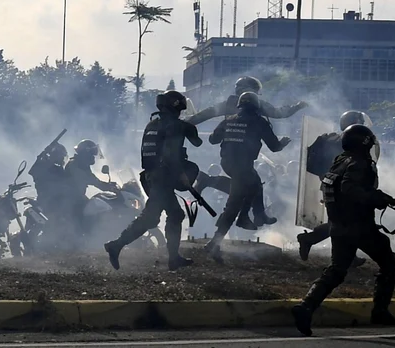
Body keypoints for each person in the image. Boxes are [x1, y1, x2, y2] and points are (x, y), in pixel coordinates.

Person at [292, 124, 395, 337]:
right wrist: (374, 198)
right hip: (359, 226)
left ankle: (306, 307)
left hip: (339, 227)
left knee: (336, 271)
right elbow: (350, 189)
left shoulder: (339, 161)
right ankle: (379, 311)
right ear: (365, 143)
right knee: (389, 262)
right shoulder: (361, 164)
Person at [105, 90, 202, 271]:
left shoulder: (152, 125)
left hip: (150, 177)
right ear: (176, 107)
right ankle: (116, 245)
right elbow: (179, 150)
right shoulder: (176, 126)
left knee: (171, 215)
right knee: (153, 218)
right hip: (163, 178)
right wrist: (182, 174)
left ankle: (173, 258)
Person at [190, 76, 307, 227]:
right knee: (244, 190)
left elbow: (204, 115)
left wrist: (184, 123)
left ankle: (258, 215)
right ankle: (241, 218)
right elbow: (279, 113)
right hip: (242, 156)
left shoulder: (228, 105)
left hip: (229, 154)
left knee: (254, 184)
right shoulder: (256, 107)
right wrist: (297, 106)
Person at [204, 91, 291, 263]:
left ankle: (251, 217)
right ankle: (246, 219)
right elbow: (274, 147)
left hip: (228, 164)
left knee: (255, 184)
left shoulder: (229, 120)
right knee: (235, 203)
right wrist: (284, 143)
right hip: (243, 166)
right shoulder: (259, 122)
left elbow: (213, 140)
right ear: (256, 106)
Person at [297, 111, 371, 266]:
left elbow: (310, 161)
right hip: (345, 186)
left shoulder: (330, 138)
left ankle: (344, 254)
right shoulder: (352, 142)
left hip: (330, 185)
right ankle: (314, 242)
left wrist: (325, 176)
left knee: (341, 221)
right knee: (345, 221)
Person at [64, 139, 118, 232]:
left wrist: (109, 185)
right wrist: (108, 187)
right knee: (92, 212)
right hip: (71, 200)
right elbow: (91, 180)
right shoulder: (75, 165)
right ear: (85, 153)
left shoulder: (82, 164)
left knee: (96, 207)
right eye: (92, 154)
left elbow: (93, 179)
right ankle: (85, 237)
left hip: (77, 197)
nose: (93, 157)